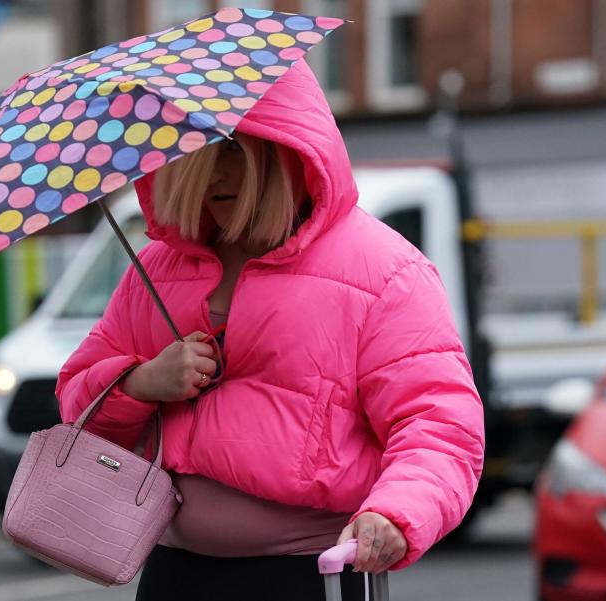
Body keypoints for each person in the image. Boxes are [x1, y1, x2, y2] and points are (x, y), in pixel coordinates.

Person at [56, 59, 485, 601]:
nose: (213, 173)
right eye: (196, 150)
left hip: (311, 574)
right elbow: (76, 406)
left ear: (289, 149)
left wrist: (395, 514)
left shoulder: (385, 271)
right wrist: (140, 383)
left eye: (235, 149)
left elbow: (440, 425)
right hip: (172, 574)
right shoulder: (158, 268)